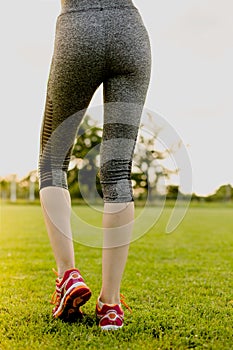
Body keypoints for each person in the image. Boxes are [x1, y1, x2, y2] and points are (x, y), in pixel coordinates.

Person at [38, 0, 151, 330]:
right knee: (117, 171)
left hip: (78, 27)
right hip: (131, 33)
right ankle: (110, 306)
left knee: (51, 162)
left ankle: (67, 276)